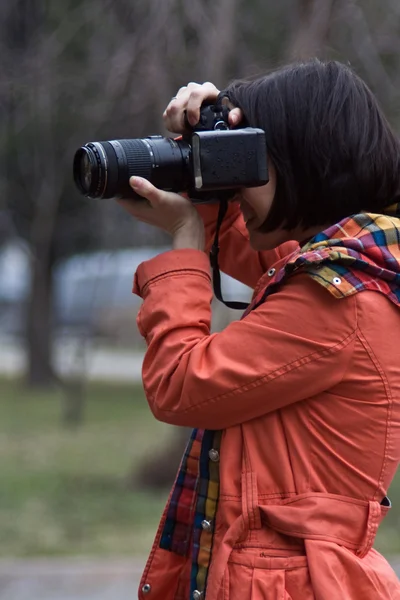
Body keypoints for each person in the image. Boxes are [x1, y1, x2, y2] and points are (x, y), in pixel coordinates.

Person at [118, 59, 400, 599]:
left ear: (307, 165)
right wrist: (201, 157)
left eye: (252, 163)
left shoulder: (339, 300)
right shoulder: (363, 269)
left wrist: (184, 244)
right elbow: (272, 249)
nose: (240, 180)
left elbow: (182, 383)